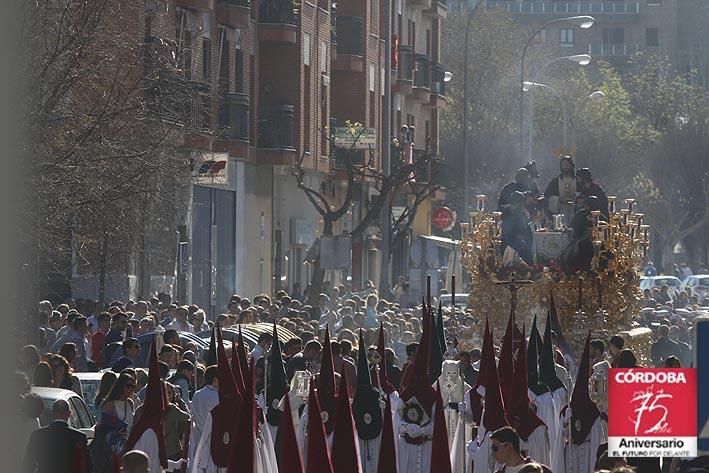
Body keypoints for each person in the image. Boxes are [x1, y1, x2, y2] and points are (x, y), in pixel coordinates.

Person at [23, 399, 90, 473]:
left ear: (52, 413)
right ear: (69, 414)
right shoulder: (79, 437)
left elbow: (28, 465)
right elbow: (87, 466)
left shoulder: (38, 435)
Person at [91, 372, 137, 473]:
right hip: (113, 447)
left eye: (133, 386)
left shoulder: (130, 403)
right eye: (128, 386)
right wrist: (115, 432)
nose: (130, 389)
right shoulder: (109, 404)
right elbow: (100, 427)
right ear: (120, 386)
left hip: (128, 444)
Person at [188, 365, 219, 465]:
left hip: (198, 437)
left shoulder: (197, 394)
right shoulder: (217, 397)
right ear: (215, 379)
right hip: (212, 437)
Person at [501, 191, 533, 265]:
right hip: (508, 240)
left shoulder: (519, 212)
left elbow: (522, 228)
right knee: (524, 243)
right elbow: (507, 230)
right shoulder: (505, 211)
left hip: (515, 237)